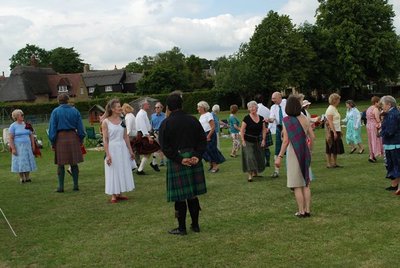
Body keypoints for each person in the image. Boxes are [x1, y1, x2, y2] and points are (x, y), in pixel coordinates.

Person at [159, 93, 207, 235]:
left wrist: (179, 159)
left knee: (180, 197)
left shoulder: (166, 123)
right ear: (182, 105)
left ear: (168, 107)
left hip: (177, 162)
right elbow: (203, 140)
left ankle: (182, 228)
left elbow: (165, 147)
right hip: (193, 159)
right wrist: (197, 156)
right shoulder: (193, 120)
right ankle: (195, 225)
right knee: (192, 195)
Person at [275, 95, 315, 217]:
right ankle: (307, 210)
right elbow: (312, 137)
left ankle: (301, 211)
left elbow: (286, 141)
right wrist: (310, 150)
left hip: (293, 153)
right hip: (304, 150)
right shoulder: (305, 118)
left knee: (297, 185)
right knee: (306, 183)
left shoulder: (287, 120)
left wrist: (279, 156)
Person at [48, 93, 85, 192]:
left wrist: (52, 142)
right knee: (74, 163)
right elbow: (81, 128)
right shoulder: (75, 111)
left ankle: (61, 187)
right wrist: (80, 139)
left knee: (60, 164)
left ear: (58, 101)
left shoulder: (55, 112)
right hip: (73, 137)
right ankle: (76, 185)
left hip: (60, 138)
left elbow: (52, 129)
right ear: (68, 100)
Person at [102, 99, 135, 203]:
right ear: (112, 109)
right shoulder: (105, 122)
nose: (120, 108)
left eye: (120, 106)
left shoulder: (122, 120)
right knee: (113, 170)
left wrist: (130, 151)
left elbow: (125, 137)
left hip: (122, 148)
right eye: (118, 106)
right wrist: (108, 155)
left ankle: (120, 193)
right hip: (112, 148)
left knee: (122, 168)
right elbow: (105, 139)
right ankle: (113, 195)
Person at [240, 101, 267, 182]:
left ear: (257, 108)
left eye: (253, 107)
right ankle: (250, 175)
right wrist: (243, 140)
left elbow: (264, 130)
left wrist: (263, 140)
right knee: (250, 157)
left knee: (258, 157)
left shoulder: (261, 118)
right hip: (247, 141)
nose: (252, 109)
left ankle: (255, 173)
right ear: (248, 109)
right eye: (250, 107)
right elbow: (242, 130)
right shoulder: (246, 118)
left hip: (257, 141)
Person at [9, 109, 37, 183]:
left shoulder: (27, 125)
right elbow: (11, 138)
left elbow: (31, 135)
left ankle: (27, 177)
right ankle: (22, 178)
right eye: (21, 115)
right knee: (20, 161)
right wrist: (13, 149)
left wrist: (33, 145)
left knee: (27, 161)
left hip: (27, 146)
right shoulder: (13, 126)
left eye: (22, 114)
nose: (22, 116)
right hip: (18, 147)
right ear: (16, 117)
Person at [379, 95, 400, 194]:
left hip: (394, 143)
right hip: (390, 143)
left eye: (382, 104)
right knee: (391, 164)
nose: (381, 107)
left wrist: (380, 133)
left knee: (396, 164)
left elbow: (390, 131)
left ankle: (396, 186)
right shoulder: (390, 113)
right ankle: (394, 185)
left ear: (389, 104)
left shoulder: (393, 114)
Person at [197, 101, 225, 173]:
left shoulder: (208, 114)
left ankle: (215, 166)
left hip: (210, 134)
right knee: (204, 151)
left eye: (199, 107)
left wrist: (208, 136)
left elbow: (213, 127)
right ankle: (211, 164)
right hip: (204, 135)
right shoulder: (201, 116)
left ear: (203, 107)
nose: (197, 109)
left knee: (211, 150)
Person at [135, 99, 160, 175]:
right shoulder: (141, 114)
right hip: (143, 135)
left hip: (145, 134)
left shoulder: (143, 113)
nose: (149, 105)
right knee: (152, 150)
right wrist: (148, 136)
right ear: (143, 105)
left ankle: (151, 164)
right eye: (148, 104)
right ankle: (141, 169)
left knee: (155, 148)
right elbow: (143, 127)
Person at [269, 92, 287, 178]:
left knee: (290, 149)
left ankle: (292, 169)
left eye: (274, 98)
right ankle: (276, 171)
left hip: (288, 128)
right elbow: (272, 118)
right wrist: (269, 120)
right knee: (277, 150)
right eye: (272, 98)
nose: (272, 100)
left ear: (279, 97)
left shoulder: (287, 103)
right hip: (279, 128)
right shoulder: (273, 107)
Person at [325, 93, 344, 168]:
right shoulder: (330, 109)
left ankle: (334, 163)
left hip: (336, 129)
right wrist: (334, 132)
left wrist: (339, 130)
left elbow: (336, 121)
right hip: (332, 131)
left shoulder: (334, 108)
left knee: (335, 147)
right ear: (335, 100)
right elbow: (330, 121)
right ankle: (329, 163)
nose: (339, 101)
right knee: (330, 147)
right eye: (338, 99)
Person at [255, 94, 272, 167]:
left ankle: (261, 161)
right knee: (266, 147)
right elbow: (270, 119)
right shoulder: (267, 109)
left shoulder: (255, 109)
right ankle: (267, 161)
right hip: (267, 127)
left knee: (258, 147)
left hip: (258, 129)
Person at [366, 96, 383, 163]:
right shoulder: (375, 109)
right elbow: (378, 119)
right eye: (379, 102)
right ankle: (373, 155)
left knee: (370, 140)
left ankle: (371, 155)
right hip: (374, 126)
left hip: (368, 125)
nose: (379, 104)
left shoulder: (369, 108)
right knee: (375, 140)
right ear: (376, 102)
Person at [151, 102, 166, 166]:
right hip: (155, 133)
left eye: (158, 107)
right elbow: (151, 125)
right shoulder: (152, 116)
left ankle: (163, 160)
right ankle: (160, 161)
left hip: (163, 133)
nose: (156, 109)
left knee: (163, 147)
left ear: (162, 108)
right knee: (158, 147)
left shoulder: (165, 115)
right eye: (155, 107)